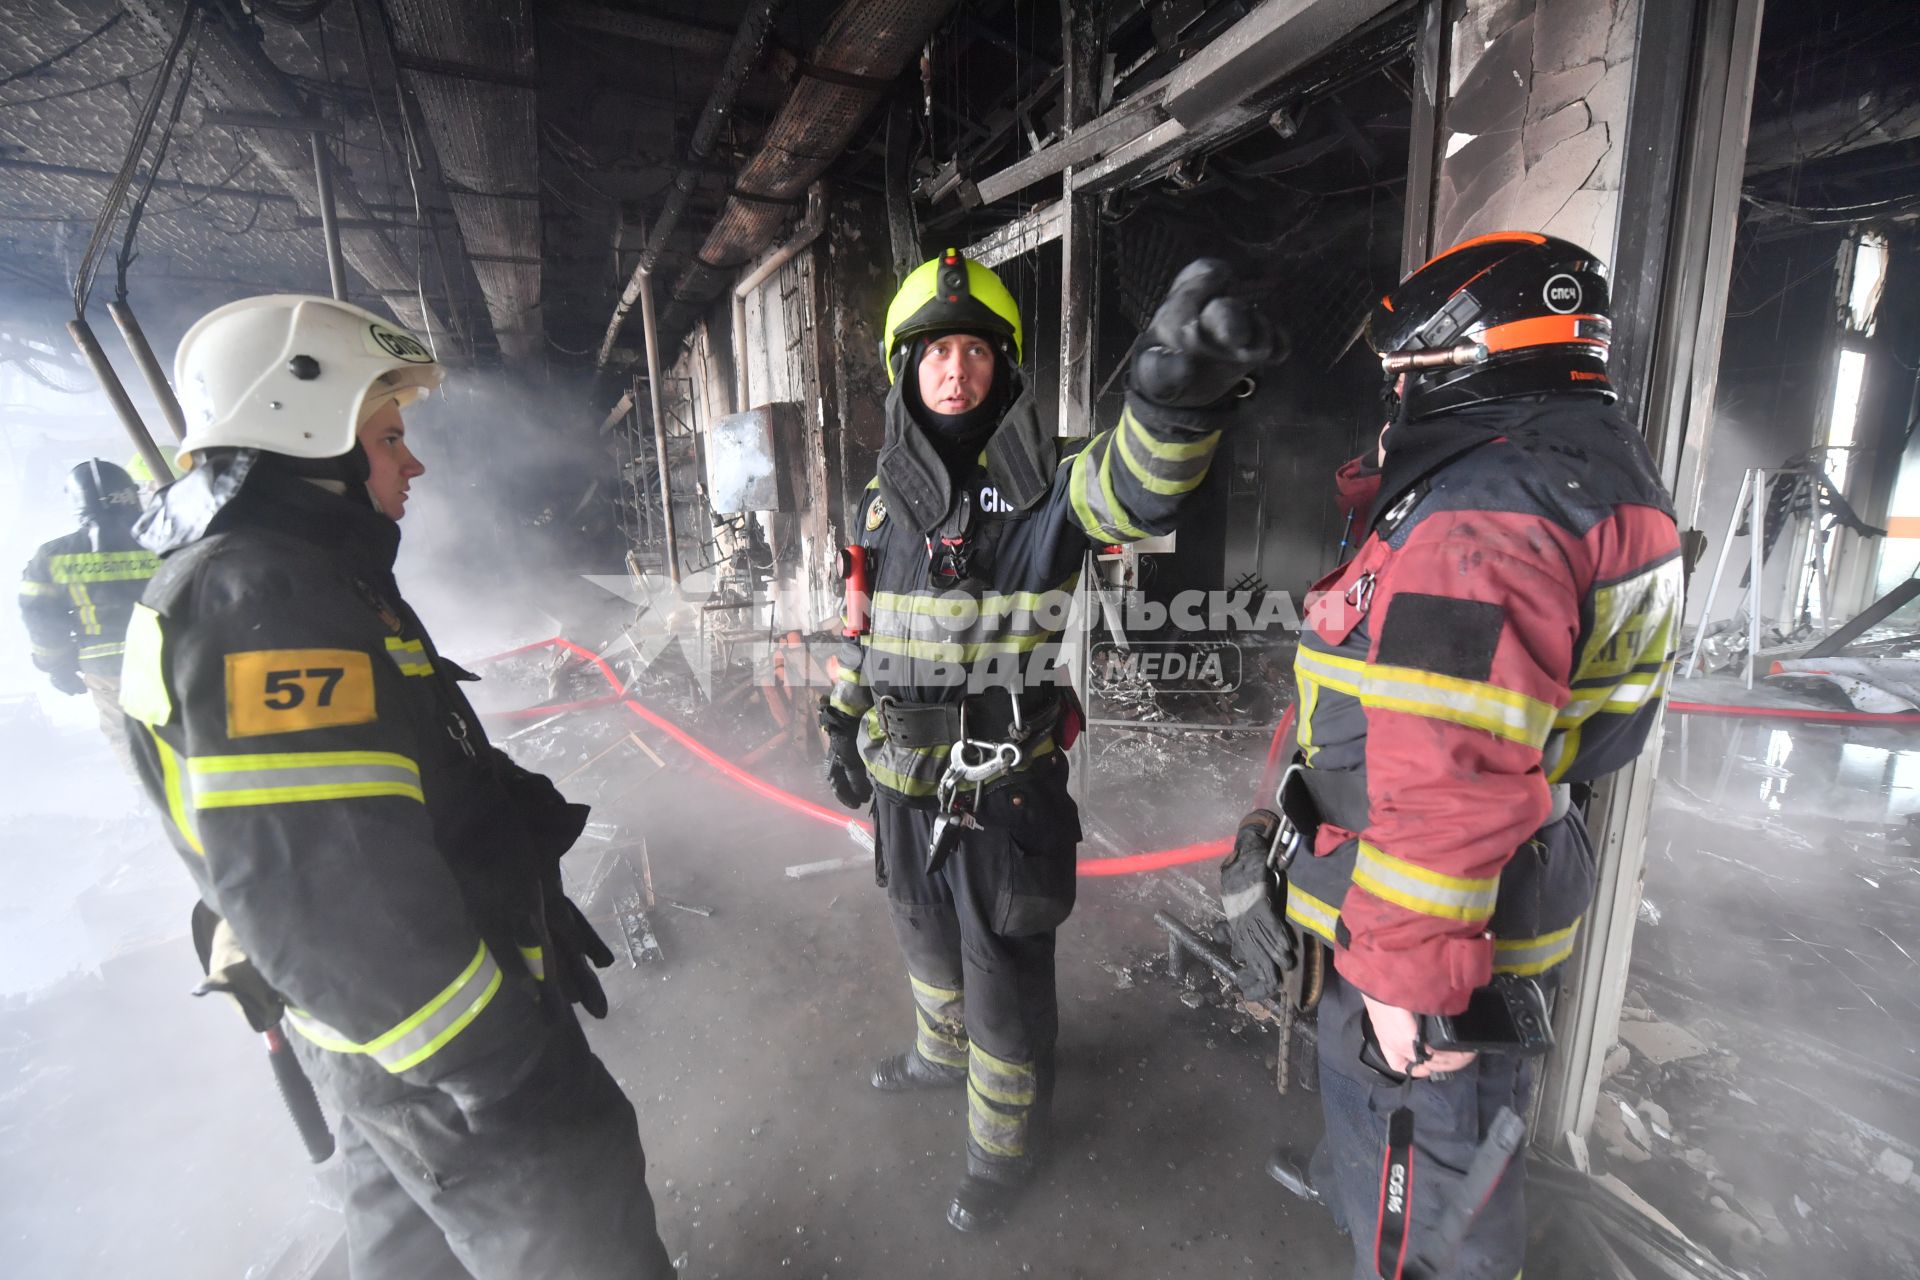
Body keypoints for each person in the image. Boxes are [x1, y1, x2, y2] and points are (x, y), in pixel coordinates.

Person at [117, 294, 676, 1279]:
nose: (411, 462)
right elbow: (335, 891)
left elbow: (388, 776)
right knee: (586, 1235)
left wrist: (516, 834)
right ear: (308, 435)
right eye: (387, 435)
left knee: (407, 1244)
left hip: (376, 1044)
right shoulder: (268, 601)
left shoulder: (293, 578)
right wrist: (500, 1065)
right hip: (439, 1050)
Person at [1239, 233, 1682, 1278]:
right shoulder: (1583, 468)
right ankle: (1369, 1182)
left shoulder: (1490, 511)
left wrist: (1407, 978)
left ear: (1476, 356)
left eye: (1410, 368)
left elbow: (1449, 771)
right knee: (1447, 1151)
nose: (1394, 387)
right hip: (1498, 886)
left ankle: (1388, 1212)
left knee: (1427, 1221)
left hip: (1432, 937)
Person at [820, 249, 1274, 1231]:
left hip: (998, 796)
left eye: (974, 351)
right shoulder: (875, 498)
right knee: (922, 935)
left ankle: (1004, 1147)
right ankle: (938, 1057)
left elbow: (1135, 488)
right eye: (935, 350)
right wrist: (839, 719)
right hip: (900, 779)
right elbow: (863, 623)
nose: (954, 367)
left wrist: (1173, 408)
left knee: (1001, 983)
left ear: (1005, 368)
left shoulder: (1049, 484)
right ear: (907, 368)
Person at [18, 459, 160, 769]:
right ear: (130, 495)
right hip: (176, 656)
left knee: (130, 739)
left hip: (108, 668)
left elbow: (42, 621)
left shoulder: (54, 556)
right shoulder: (167, 538)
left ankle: (150, 802)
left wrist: (58, 666)